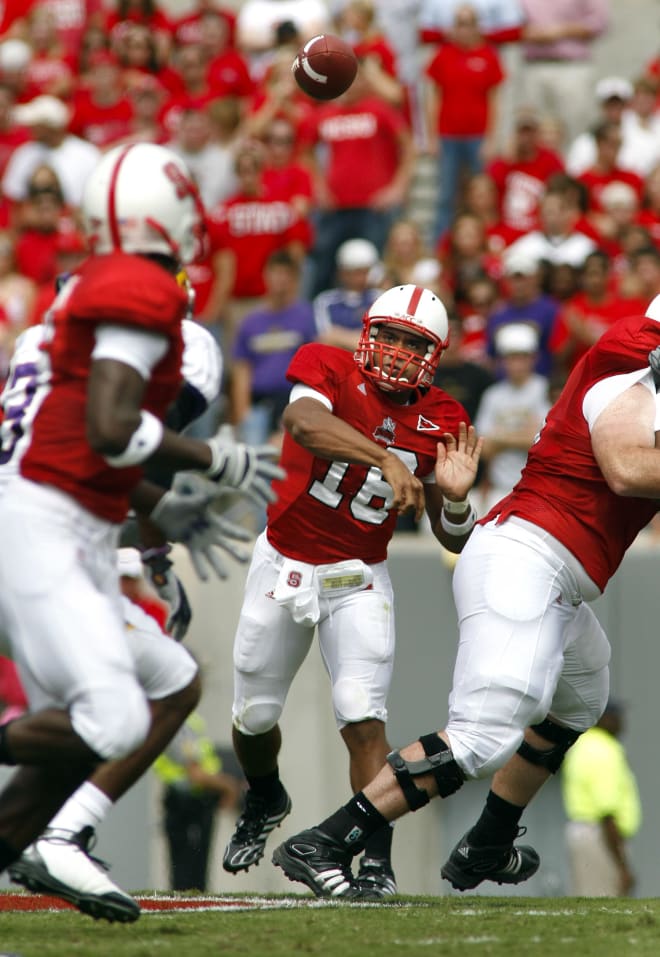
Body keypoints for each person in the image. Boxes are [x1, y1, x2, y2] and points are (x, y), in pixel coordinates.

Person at [270, 288, 660, 899]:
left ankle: (489, 840)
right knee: (481, 737)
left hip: (551, 567)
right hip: (529, 556)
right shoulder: (629, 368)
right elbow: (628, 469)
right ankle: (325, 839)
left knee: (584, 695)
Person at [0, 142, 282, 911]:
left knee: (165, 679)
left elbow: (105, 442)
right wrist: (210, 463)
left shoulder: (71, 301)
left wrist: (160, 515)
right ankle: (58, 839)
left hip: (65, 519)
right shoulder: (142, 290)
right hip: (47, 523)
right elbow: (115, 427)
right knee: (114, 715)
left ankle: (51, 841)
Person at [221, 283, 483, 900]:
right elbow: (302, 423)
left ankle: (374, 865)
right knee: (254, 717)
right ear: (366, 333)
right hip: (284, 559)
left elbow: (454, 539)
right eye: (387, 335)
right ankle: (265, 795)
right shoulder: (327, 364)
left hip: (360, 575)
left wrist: (460, 497)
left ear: (434, 353)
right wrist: (388, 460)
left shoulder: (444, 418)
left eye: (411, 342)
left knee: (363, 719)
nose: (394, 350)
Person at [154, 712, 244, 892]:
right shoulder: (181, 722)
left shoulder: (181, 720)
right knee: (191, 872)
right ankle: (186, 911)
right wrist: (229, 786)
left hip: (188, 802)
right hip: (189, 804)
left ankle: (186, 907)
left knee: (187, 868)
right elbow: (195, 773)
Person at [561, 698, 641, 897]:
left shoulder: (584, 745)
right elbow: (607, 812)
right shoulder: (603, 750)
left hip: (588, 832)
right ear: (603, 718)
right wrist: (622, 866)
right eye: (616, 716)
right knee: (604, 901)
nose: (621, 721)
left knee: (590, 898)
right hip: (600, 835)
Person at [474, 322, 550, 513]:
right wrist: (525, 435)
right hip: (498, 488)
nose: (516, 363)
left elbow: (545, 442)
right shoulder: (492, 395)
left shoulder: (544, 389)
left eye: (522, 357)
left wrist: (500, 437)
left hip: (539, 488)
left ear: (534, 358)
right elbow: (482, 447)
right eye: (511, 357)